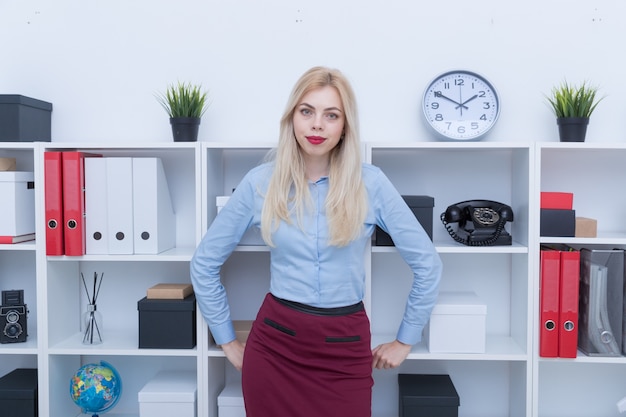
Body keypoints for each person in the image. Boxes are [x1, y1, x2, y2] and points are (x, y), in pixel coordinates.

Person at [190, 66, 442, 417]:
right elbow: (204, 263)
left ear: (344, 127)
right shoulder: (259, 183)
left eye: (331, 115)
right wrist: (227, 341)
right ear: (292, 118)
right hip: (274, 348)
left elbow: (428, 264)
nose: (317, 125)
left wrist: (405, 340)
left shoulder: (372, 184)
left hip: (345, 349)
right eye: (307, 111)